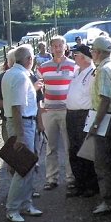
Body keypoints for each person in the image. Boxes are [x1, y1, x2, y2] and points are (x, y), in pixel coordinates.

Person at [3, 45, 43, 222]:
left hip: (24, 123)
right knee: (23, 168)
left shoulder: (11, 73)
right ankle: (12, 208)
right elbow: (16, 108)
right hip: (22, 124)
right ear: (29, 59)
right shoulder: (20, 76)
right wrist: (20, 136)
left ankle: (26, 204)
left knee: (28, 166)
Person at [87, 35, 111, 215]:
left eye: (93, 51)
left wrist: (95, 125)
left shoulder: (103, 70)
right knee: (108, 161)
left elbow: (105, 99)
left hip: (105, 120)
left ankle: (109, 201)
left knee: (102, 163)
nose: (92, 54)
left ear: (99, 52)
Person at [37, 35, 76, 191]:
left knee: (68, 146)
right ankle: (51, 178)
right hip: (49, 110)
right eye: (55, 46)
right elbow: (38, 90)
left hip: (67, 110)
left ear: (65, 47)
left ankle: (70, 178)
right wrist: (40, 107)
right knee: (50, 147)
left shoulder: (74, 66)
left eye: (60, 45)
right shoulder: (43, 67)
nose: (58, 49)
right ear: (50, 48)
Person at [64, 43, 98, 198]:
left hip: (83, 115)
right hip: (71, 114)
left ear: (84, 58)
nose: (73, 57)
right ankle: (79, 183)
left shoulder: (92, 73)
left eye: (76, 55)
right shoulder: (77, 71)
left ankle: (90, 185)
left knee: (85, 150)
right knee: (74, 149)